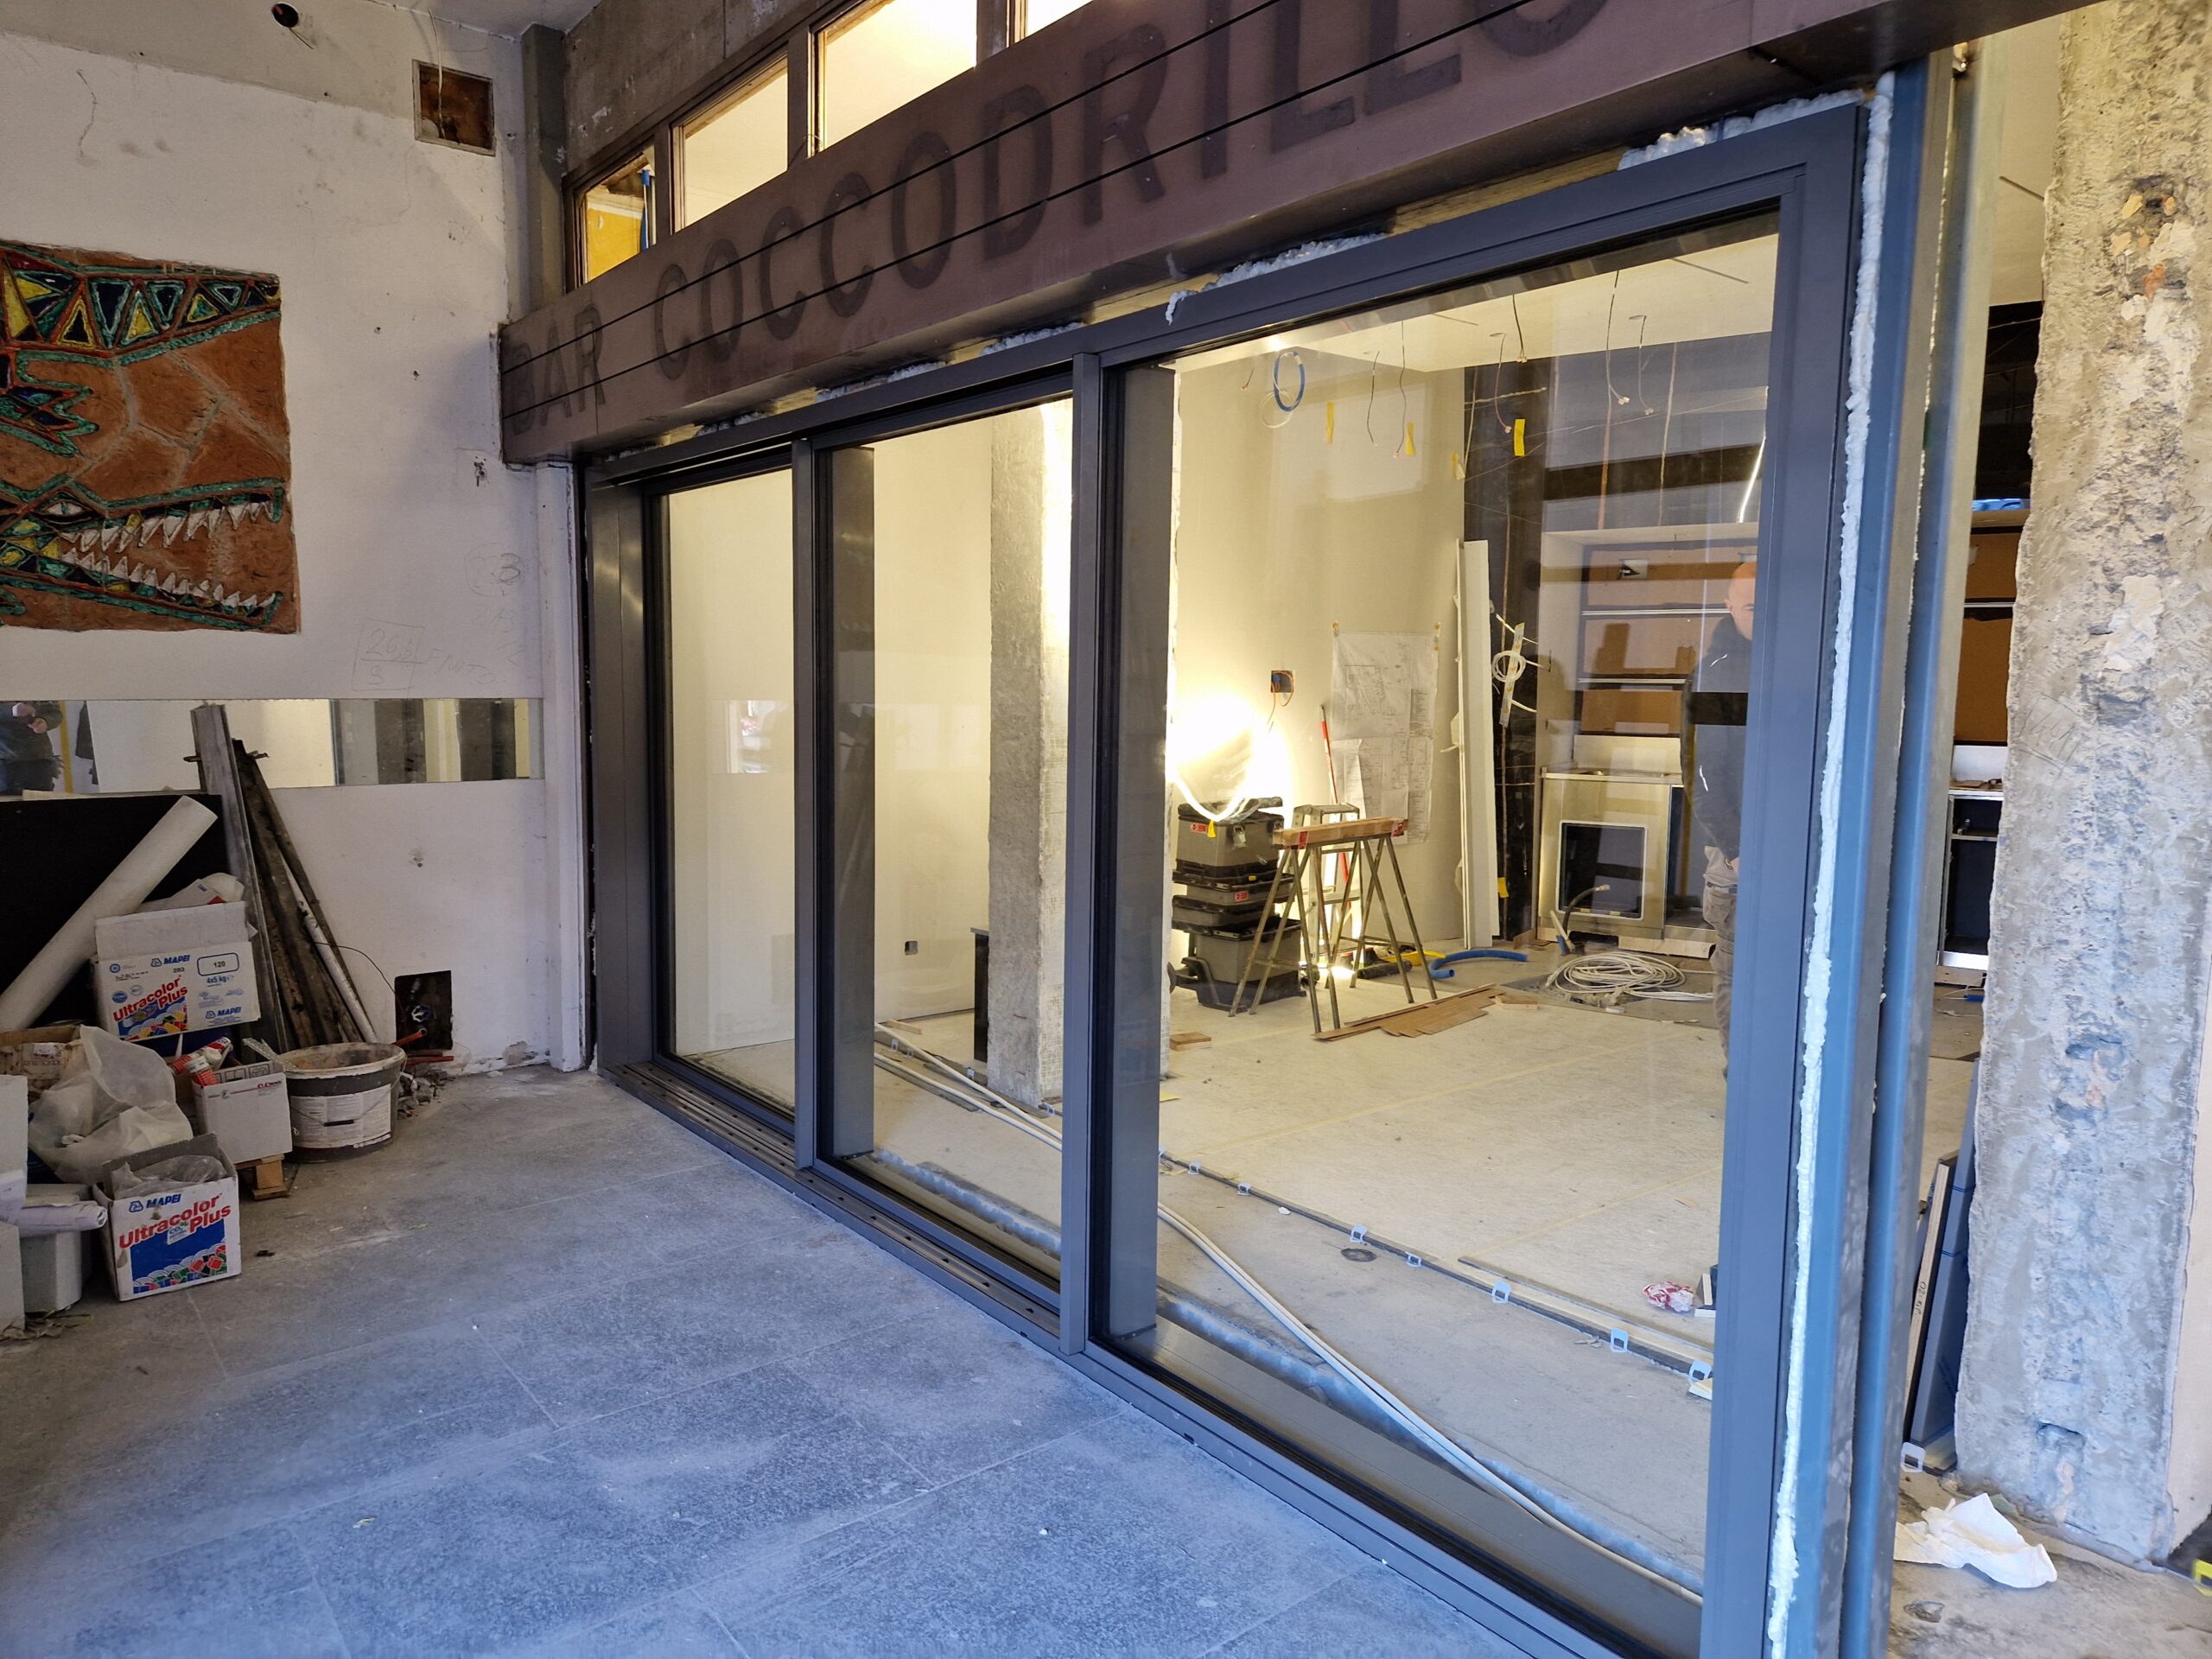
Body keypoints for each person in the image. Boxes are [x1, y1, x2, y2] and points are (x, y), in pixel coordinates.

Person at [1688, 561, 1755, 1067]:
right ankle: (1744, 1078)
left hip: (1795, 845)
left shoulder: (1805, 662)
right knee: (1738, 967)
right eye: (1751, 606)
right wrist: (1736, 850)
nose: (1762, 617)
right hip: (1739, 853)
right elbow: (1702, 772)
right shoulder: (1716, 673)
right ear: (1729, 605)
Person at [0, 702, 61, 794]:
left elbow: (55, 713)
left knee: (42, 799)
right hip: (5, 761)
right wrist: (12, 711)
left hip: (40, 759)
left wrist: (45, 721)